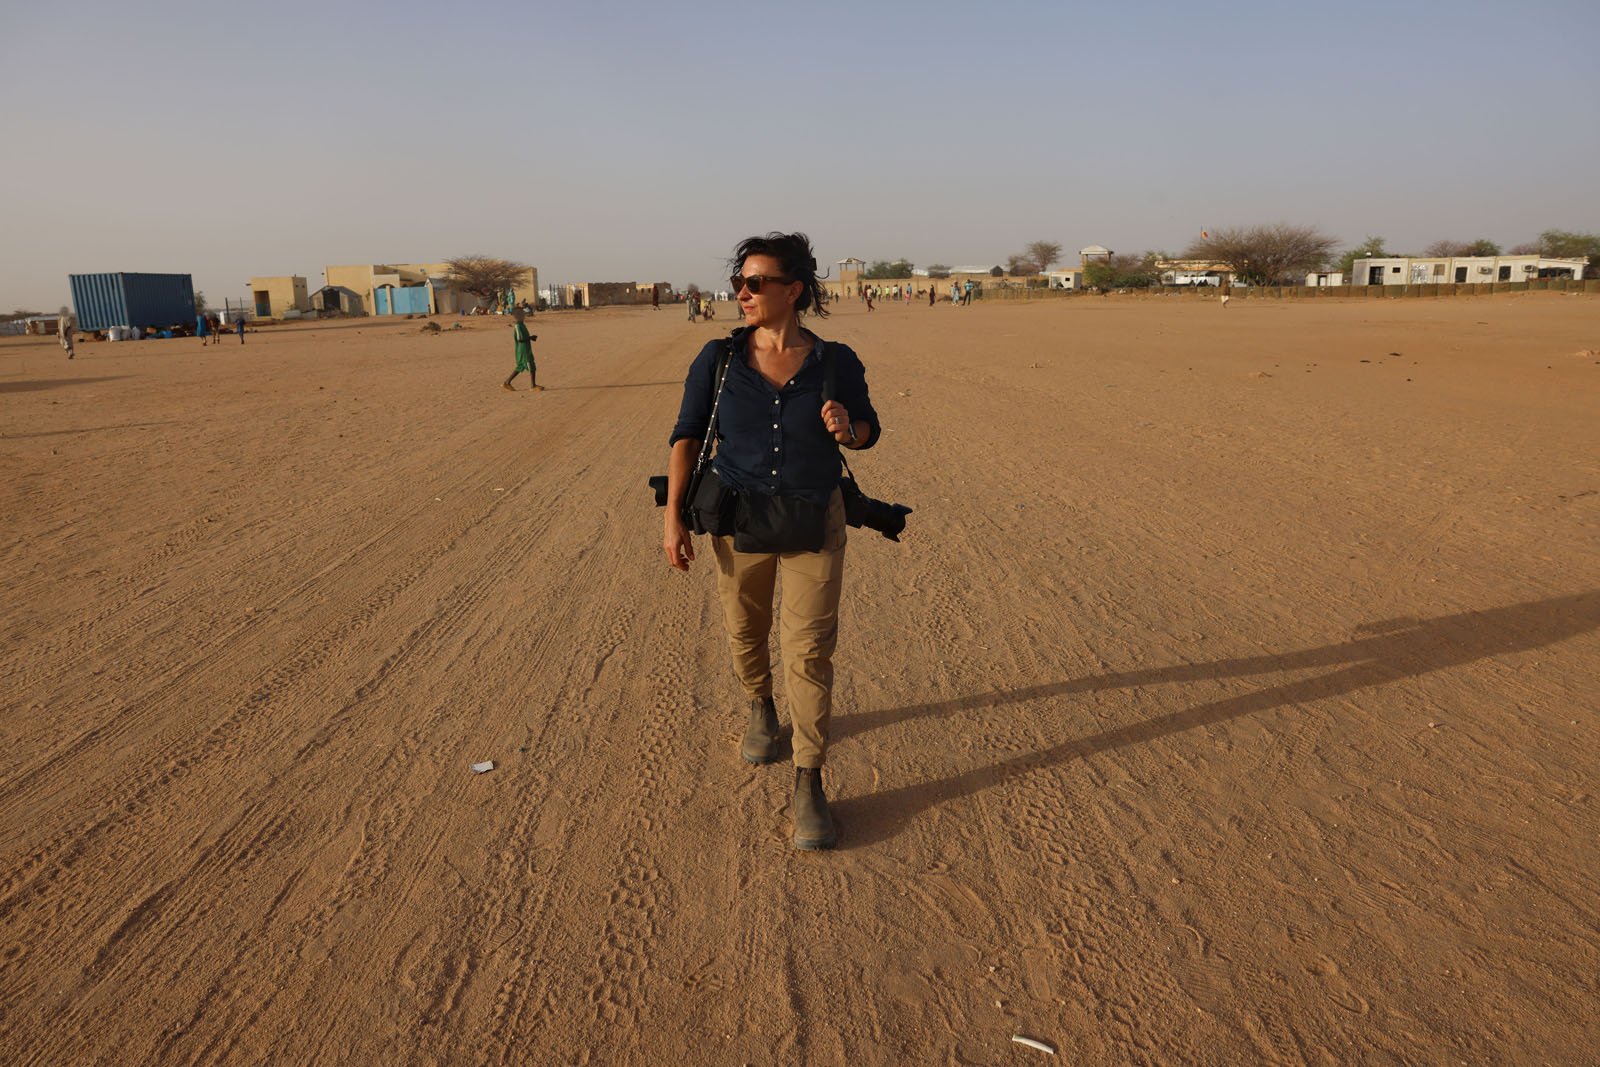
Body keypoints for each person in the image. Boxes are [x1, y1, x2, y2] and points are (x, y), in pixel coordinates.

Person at [663, 232, 882, 851]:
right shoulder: (720, 358)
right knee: (744, 629)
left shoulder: (835, 360)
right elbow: (685, 435)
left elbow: (869, 428)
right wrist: (672, 517)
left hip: (816, 518)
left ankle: (809, 780)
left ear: (793, 291)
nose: (743, 293)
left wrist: (849, 429)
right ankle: (761, 704)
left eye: (757, 283)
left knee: (808, 650)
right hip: (740, 520)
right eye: (741, 282)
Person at [502, 309, 542, 391]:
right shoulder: (518, 326)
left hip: (525, 348)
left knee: (521, 366)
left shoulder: (521, 325)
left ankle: (507, 382)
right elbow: (520, 339)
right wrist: (530, 338)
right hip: (523, 350)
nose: (524, 316)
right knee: (531, 366)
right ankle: (533, 386)